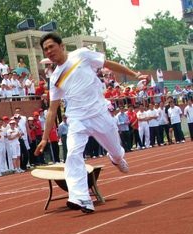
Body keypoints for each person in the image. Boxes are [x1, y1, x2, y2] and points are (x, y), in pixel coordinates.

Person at [35, 32, 144, 213]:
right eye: (45, 49)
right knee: (72, 155)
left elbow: (107, 64)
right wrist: (45, 138)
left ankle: (116, 159)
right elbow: (52, 110)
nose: (49, 51)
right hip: (77, 119)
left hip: (100, 114)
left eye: (51, 47)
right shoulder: (54, 79)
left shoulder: (82, 55)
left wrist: (134, 74)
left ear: (62, 46)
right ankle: (81, 197)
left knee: (116, 151)